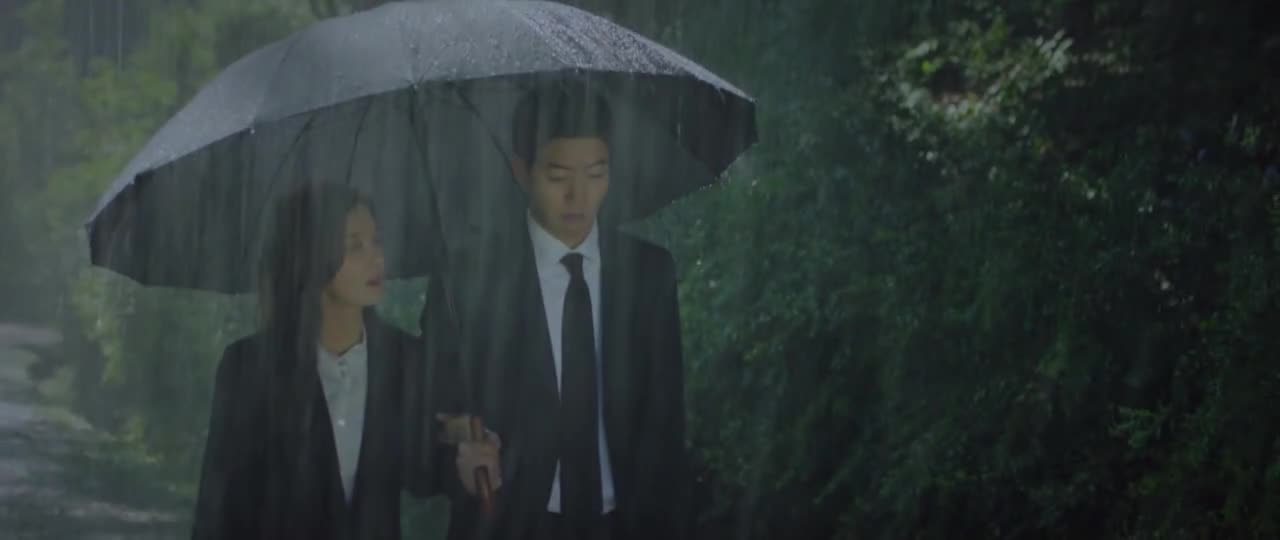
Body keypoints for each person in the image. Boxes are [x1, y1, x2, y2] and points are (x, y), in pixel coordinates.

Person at [428, 80, 691, 540]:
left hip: (627, 523)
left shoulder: (649, 274)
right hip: (508, 523)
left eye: (596, 173)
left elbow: (667, 421)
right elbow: (431, 413)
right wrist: (461, 447)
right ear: (520, 170)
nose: (579, 196)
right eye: (558, 177)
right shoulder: (468, 282)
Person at [191, 181, 500, 540]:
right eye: (355, 246)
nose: (377, 258)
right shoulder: (251, 367)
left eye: (377, 241)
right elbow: (221, 505)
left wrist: (468, 464)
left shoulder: (403, 359)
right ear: (311, 255)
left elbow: (424, 467)